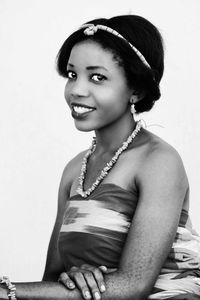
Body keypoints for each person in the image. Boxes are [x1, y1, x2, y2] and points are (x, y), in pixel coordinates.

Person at [1, 14, 200, 300]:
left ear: (137, 89)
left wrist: (7, 291)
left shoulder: (158, 162)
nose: (77, 91)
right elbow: (51, 281)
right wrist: (73, 277)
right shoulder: (75, 170)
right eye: (72, 75)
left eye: (98, 77)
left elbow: (134, 285)